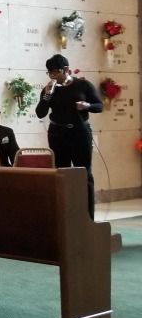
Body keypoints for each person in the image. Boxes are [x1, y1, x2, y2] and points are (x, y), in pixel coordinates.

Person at [36, 54, 103, 217]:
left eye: (56, 72)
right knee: (61, 172)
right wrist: (46, 95)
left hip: (80, 132)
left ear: (66, 69)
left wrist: (87, 105)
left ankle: (88, 216)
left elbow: (99, 106)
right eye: (50, 73)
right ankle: (65, 215)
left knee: (84, 173)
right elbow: (40, 113)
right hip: (58, 133)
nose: (53, 76)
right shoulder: (49, 89)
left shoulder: (83, 85)